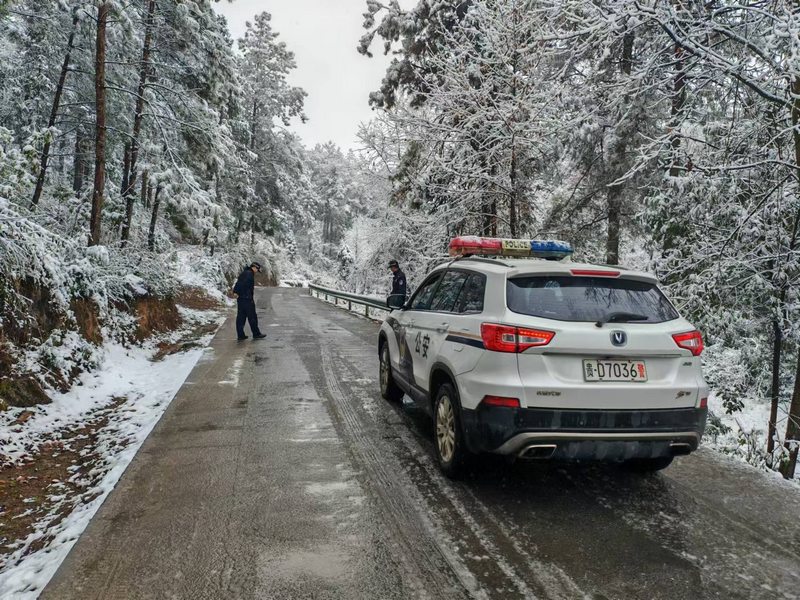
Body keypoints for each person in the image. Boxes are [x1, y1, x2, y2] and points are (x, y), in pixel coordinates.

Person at [233, 262, 266, 341]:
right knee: (252, 317)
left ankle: (240, 335)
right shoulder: (249, 274)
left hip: (241, 299)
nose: (256, 271)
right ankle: (256, 334)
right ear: (254, 267)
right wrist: (236, 291)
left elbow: (239, 283)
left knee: (241, 317)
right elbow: (241, 284)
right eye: (257, 270)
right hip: (247, 299)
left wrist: (236, 292)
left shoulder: (245, 273)